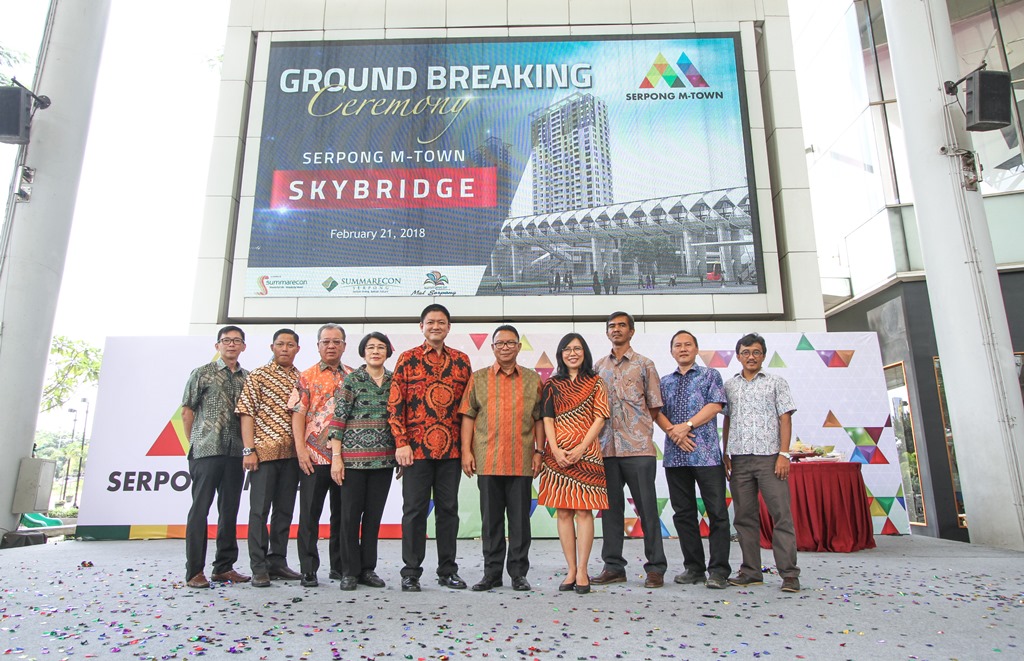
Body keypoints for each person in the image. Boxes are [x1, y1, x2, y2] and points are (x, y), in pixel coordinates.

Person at [388, 304, 473, 591]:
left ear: (449, 327)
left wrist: (467, 448)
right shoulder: (407, 359)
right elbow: (395, 405)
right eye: (430, 322)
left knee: (448, 511)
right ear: (421, 326)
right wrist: (401, 443)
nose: (436, 326)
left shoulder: (461, 361)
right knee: (414, 511)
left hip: (451, 451)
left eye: (441, 322)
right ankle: (411, 572)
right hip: (415, 451)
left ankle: (447, 570)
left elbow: (469, 409)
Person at [460, 325, 544, 592]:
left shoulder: (532, 379)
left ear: (519, 347)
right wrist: (466, 451)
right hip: (488, 459)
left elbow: (539, 418)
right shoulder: (478, 378)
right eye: (500, 343)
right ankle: (492, 574)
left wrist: (539, 452)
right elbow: (468, 416)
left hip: (521, 460)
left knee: (520, 522)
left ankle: (518, 574)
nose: (505, 347)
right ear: (492, 347)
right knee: (491, 522)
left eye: (510, 343)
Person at [592, 312, 667, 588]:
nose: (616, 330)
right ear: (607, 332)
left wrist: (640, 430)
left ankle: (655, 567)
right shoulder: (598, 367)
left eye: (622, 325)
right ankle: (613, 567)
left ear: (631, 331)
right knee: (610, 512)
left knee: (647, 510)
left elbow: (654, 405)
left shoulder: (645, 365)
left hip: (638, 449)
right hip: (607, 449)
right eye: (612, 326)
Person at [723, 333, 800, 593]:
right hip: (739, 460)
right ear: (738, 356)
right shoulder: (730, 385)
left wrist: (784, 454)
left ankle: (789, 574)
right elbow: (727, 419)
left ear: (763, 355)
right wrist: (725, 453)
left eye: (756, 352)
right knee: (744, 518)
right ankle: (751, 571)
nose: (751, 357)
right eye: (746, 352)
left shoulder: (776, 382)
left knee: (781, 516)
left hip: (770, 459)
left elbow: (785, 418)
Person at [654, 330, 730, 589]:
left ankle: (718, 571)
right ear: (671, 351)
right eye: (678, 345)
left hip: (706, 455)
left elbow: (715, 405)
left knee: (717, 513)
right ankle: (694, 568)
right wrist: (674, 434)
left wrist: (686, 426)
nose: (683, 348)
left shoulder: (710, 375)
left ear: (696, 349)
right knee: (683, 514)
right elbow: (656, 412)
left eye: (688, 344)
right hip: (675, 457)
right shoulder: (664, 382)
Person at [537, 333, 609, 594]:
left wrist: (581, 448)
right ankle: (570, 569)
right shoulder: (551, 384)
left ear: (585, 352)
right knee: (564, 512)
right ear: (561, 354)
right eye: (567, 349)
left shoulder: (596, 382)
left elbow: (600, 418)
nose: (572, 353)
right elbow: (547, 418)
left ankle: (583, 570)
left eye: (577, 348)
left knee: (584, 511)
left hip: (587, 453)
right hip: (557, 455)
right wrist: (555, 450)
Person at [329, 332, 399, 591]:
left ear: (387, 352)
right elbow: (338, 421)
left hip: (384, 462)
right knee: (349, 517)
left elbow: (400, 419)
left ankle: (368, 569)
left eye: (381, 347)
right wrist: (337, 458)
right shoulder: (352, 380)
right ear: (363, 352)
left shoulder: (394, 381)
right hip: (352, 463)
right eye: (370, 347)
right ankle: (349, 571)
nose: (376, 351)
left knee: (373, 517)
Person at [182, 325, 250, 588]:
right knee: (200, 510)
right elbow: (187, 411)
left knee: (229, 511)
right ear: (217, 345)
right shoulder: (202, 373)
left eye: (236, 340)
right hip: (206, 452)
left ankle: (224, 567)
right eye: (226, 340)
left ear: (243, 346)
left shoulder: (248, 378)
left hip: (235, 453)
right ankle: (194, 571)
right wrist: (196, 442)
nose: (231, 344)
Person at [236, 328, 302, 588]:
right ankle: (259, 567)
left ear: (297, 349)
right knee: (259, 511)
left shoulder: (301, 378)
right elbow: (246, 413)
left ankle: (278, 561)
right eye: (280, 344)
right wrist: (249, 450)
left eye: (290, 345)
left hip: (292, 455)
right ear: (272, 347)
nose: (285, 349)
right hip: (263, 454)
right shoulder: (258, 376)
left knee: (284, 511)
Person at [288, 323, 352, 587]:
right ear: (318, 346)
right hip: (313, 458)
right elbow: (298, 414)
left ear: (344, 346)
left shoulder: (354, 376)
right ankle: (308, 569)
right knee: (309, 515)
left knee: (343, 516)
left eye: (336, 341)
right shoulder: (306, 376)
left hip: (345, 459)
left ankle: (339, 566)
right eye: (326, 342)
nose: (331, 346)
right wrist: (301, 450)